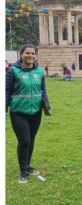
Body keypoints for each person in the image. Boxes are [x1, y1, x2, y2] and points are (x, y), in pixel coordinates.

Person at [6, 43, 51, 184]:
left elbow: (42, 89)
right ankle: (23, 171)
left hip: (35, 112)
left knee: (31, 140)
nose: (30, 56)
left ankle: (27, 166)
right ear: (21, 54)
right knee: (24, 141)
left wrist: (46, 104)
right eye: (27, 53)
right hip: (18, 112)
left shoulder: (39, 72)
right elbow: (6, 91)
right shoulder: (13, 71)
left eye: (33, 53)